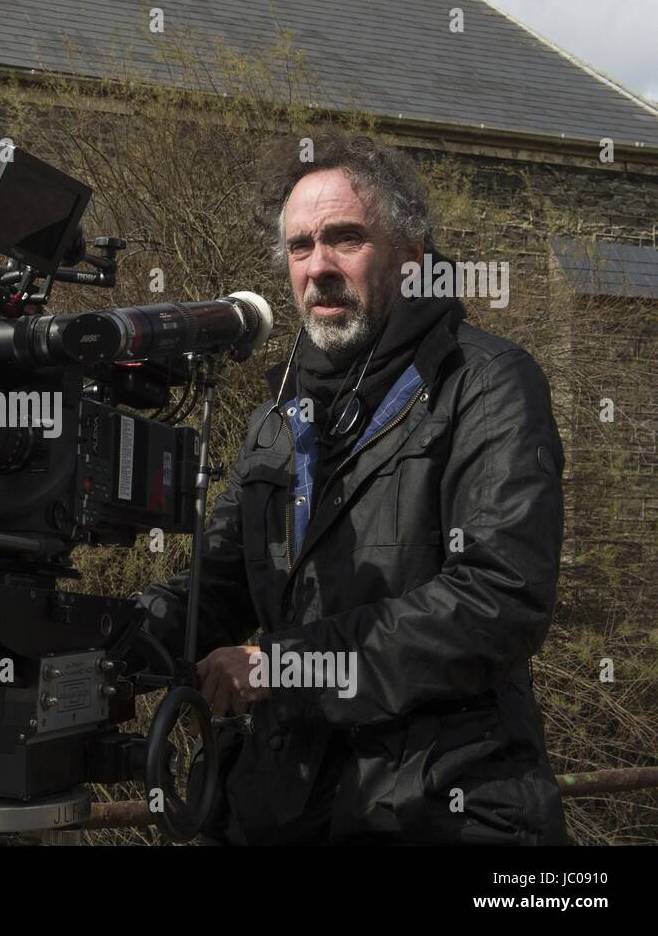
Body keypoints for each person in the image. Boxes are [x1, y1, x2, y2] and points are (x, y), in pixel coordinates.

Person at [139, 133, 569, 845]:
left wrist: (290, 663)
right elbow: (216, 588)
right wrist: (99, 640)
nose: (319, 267)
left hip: (446, 806)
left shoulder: (486, 384)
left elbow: (500, 599)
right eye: (301, 247)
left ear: (411, 255)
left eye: (345, 238)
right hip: (281, 804)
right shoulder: (278, 417)